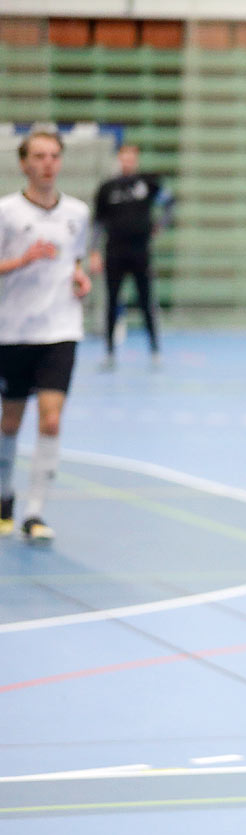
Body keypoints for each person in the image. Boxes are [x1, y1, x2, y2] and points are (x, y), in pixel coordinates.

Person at [0, 128, 92, 544]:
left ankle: (35, 512)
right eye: (38, 156)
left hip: (60, 329)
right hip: (12, 331)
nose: (47, 163)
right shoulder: (7, 213)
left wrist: (80, 278)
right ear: (23, 163)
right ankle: (4, 497)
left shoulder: (77, 212)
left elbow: (76, 260)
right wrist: (22, 260)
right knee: (10, 420)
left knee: (51, 420)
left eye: (54, 156)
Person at [89, 142, 172, 371]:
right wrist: (94, 251)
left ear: (136, 159)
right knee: (112, 301)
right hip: (115, 251)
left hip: (140, 252)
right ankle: (109, 352)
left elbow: (169, 203)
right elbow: (98, 222)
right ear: (118, 159)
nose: (127, 161)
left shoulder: (147, 183)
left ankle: (155, 350)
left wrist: (160, 225)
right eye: (123, 157)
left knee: (146, 300)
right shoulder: (108, 188)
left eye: (131, 157)